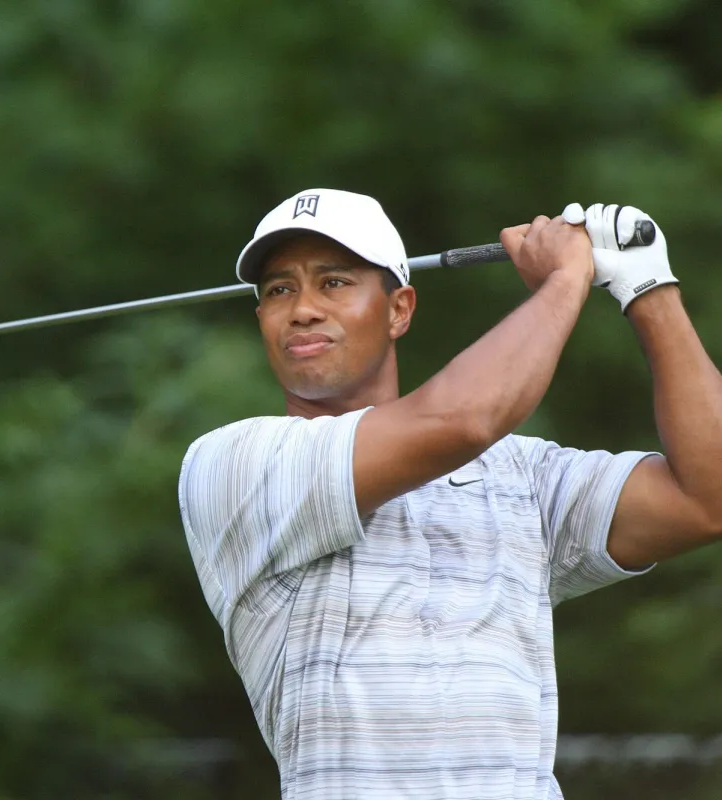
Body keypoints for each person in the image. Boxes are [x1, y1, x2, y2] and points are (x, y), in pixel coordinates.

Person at [178, 188, 722, 799]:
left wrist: (649, 287)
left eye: (333, 282)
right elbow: (461, 420)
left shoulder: (523, 475)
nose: (302, 309)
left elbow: (707, 497)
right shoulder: (234, 464)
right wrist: (566, 280)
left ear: (398, 310)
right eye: (280, 289)